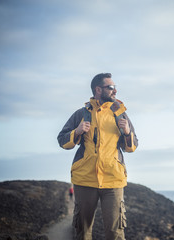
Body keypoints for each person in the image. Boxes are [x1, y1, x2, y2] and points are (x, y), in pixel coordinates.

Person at [57, 73, 138, 240]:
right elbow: (62, 141)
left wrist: (127, 132)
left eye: (115, 87)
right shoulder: (81, 114)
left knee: (115, 233)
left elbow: (132, 147)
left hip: (113, 180)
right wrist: (77, 132)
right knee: (83, 232)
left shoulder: (120, 114)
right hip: (85, 179)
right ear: (98, 89)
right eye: (111, 87)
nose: (115, 91)